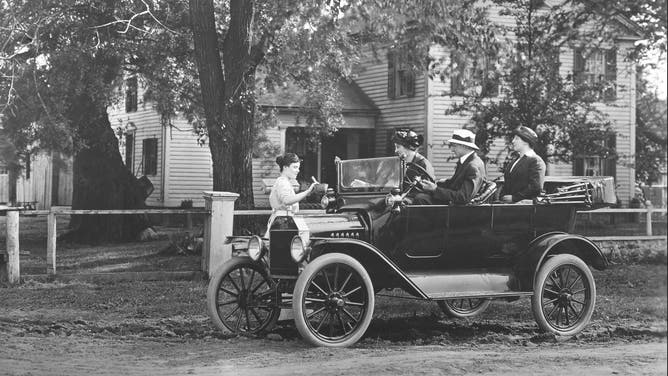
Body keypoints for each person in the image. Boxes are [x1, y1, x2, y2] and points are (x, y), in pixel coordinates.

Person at [413, 129, 486, 205]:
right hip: (455, 205)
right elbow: (455, 183)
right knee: (421, 196)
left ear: (464, 146)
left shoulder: (472, 166)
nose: (451, 149)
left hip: (460, 210)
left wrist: (435, 189)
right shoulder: (467, 161)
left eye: (454, 146)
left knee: (420, 199)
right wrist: (435, 184)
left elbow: (463, 197)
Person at [265, 153, 317, 237]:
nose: (298, 170)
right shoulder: (282, 182)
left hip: (284, 222)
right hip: (282, 223)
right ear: (285, 167)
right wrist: (307, 192)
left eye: (298, 168)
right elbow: (287, 200)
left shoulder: (285, 182)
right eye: (295, 167)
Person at [500, 126, 546, 203]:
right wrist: (502, 197)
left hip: (526, 209)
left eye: (517, 139)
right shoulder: (514, 161)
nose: (513, 141)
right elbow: (507, 183)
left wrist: (514, 198)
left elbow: (536, 187)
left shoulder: (536, 161)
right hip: (508, 207)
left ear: (526, 141)